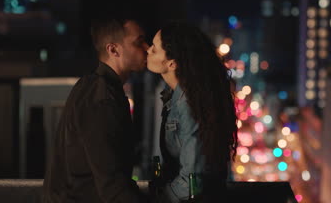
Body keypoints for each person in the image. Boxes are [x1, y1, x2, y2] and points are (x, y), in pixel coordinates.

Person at [42, 14, 149, 203]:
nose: (147, 48)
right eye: (139, 42)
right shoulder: (102, 99)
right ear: (113, 49)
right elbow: (111, 184)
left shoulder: (93, 87)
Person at [146, 21, 238, 203]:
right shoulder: (176, 95)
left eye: (154, 49)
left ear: (172, 63)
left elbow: (192, 180)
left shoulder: (189, 103)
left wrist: (159, 198)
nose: (148, 50)